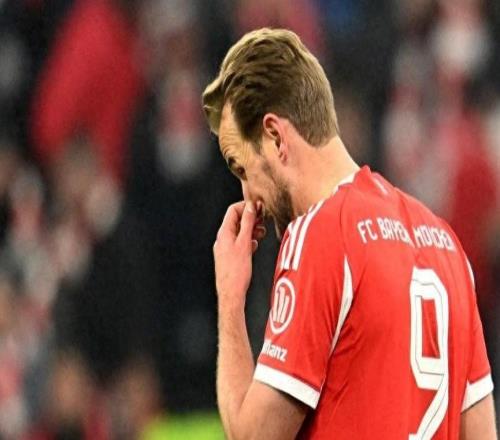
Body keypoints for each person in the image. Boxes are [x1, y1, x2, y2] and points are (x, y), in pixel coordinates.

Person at [202, 28, 497, 439]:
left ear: (275, 137)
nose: (248, 194)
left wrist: (230, 296)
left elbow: (255, 436)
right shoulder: (446, 245)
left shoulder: (318, 236)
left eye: (241, 167)